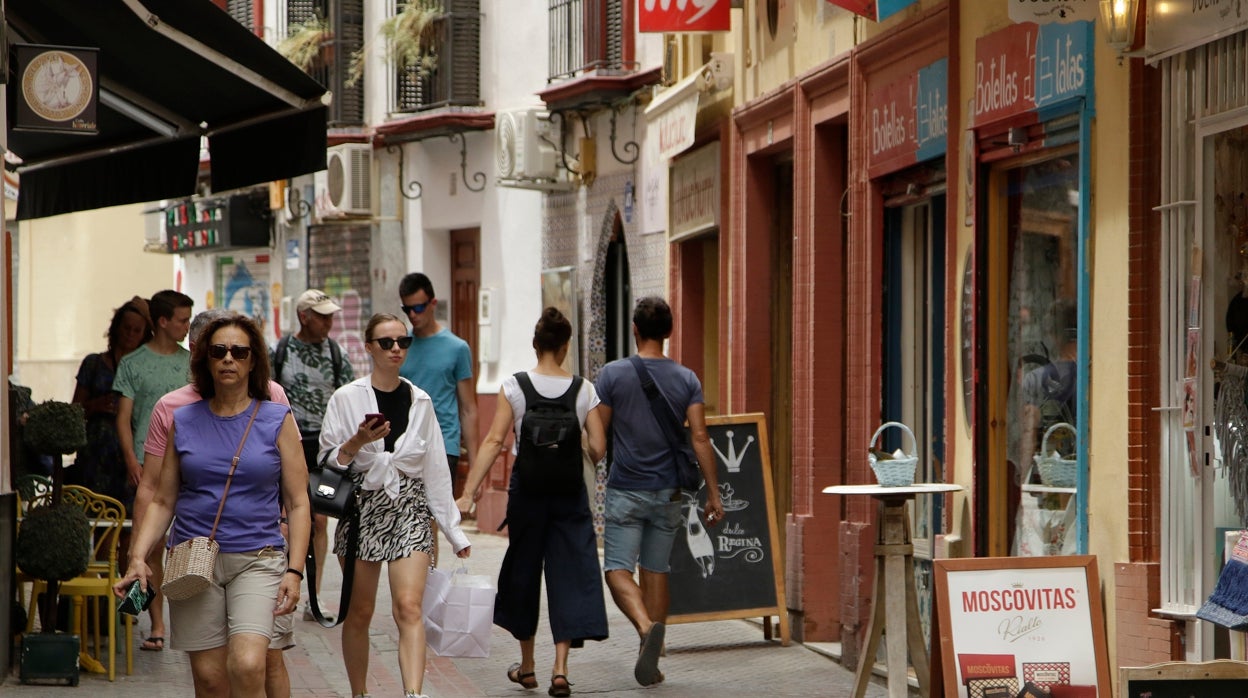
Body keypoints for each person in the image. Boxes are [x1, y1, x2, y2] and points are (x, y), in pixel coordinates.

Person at [115, 314, 311, 698]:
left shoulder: (276, 418)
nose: (228, 359)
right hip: (193, 560)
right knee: (208, 679)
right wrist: (138, 556)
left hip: (258, 556)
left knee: (249, 663)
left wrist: (295, 571)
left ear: (253, 361)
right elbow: (162, 499)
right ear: (205, 359)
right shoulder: (183, 420)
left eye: (239, 352)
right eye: (219, 351)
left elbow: (299, 501)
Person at [457, 308, 608, 698]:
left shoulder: (514, 386)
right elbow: (599, 448)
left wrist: (469, 493)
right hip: (569, 495)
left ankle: (527, 666)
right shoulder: (583, 389)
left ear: (535, 344)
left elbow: (493, 442)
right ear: (565, 346)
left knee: (524, 573)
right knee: (568, 575)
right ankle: (560, 669)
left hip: (528, 495)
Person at [320, 313, 472, 698]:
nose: (395, 350)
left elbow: (436, 467)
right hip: (361, 507)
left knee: (408, 607)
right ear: (368, 346)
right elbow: (326, 462)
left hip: (410, 508)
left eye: (402, 342)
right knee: (360, 611)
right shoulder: (346, 398)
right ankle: (359, 693)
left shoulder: (420, 400)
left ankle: (413, 694)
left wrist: (453, 530)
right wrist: (355, 442)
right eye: (386, 342)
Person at [593, 296, 723, 687]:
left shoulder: (612, 375)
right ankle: (653, 654)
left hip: (626, 488)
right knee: (656, 570)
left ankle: (647, 628)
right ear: (669, 331)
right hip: (669, 491)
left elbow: (598, 433)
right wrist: (714, 494)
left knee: (617, 568)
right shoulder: (687, 378)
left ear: (634, 329)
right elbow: (700, 438)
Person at [114, 289, 193, 651]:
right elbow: (124, 418)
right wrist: (132, 459)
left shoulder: (192, 364)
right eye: (182, 320)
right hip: (150, 463)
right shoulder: (133, 363)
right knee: (151, 545)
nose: (187, 326)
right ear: (163, 322)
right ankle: (157, 622)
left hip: (190, 464)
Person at [270, 288, 353, 620]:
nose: (329, 322)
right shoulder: (280, 351)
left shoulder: (336, 353)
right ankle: (282, 585)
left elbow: (348, 395)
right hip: (287, 443)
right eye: (323, 316)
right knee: (285, 521)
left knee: (320, 517)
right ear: (304, 317)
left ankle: (313, 599)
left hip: (323, 448)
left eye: (332, 316)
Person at [68, 297, 153, 510]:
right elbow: (73, 411)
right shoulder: (94, 363)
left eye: (137, 330)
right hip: (95, 455)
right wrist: (96, 405)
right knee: (97, 518)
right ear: (116, 328)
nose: (130, 334)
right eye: (126, 328)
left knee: (129, 520)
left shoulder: (145, 369)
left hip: (130, 458)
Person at [398, 273, 478, 495]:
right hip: (405, 444)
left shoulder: (457, 348)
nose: (413, 315)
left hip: (444, 444)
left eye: (419, 308)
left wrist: (475, 465)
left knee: (433, 516)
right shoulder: (400, 347)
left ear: (433, 303)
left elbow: (469, 409)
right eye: (407, 309)